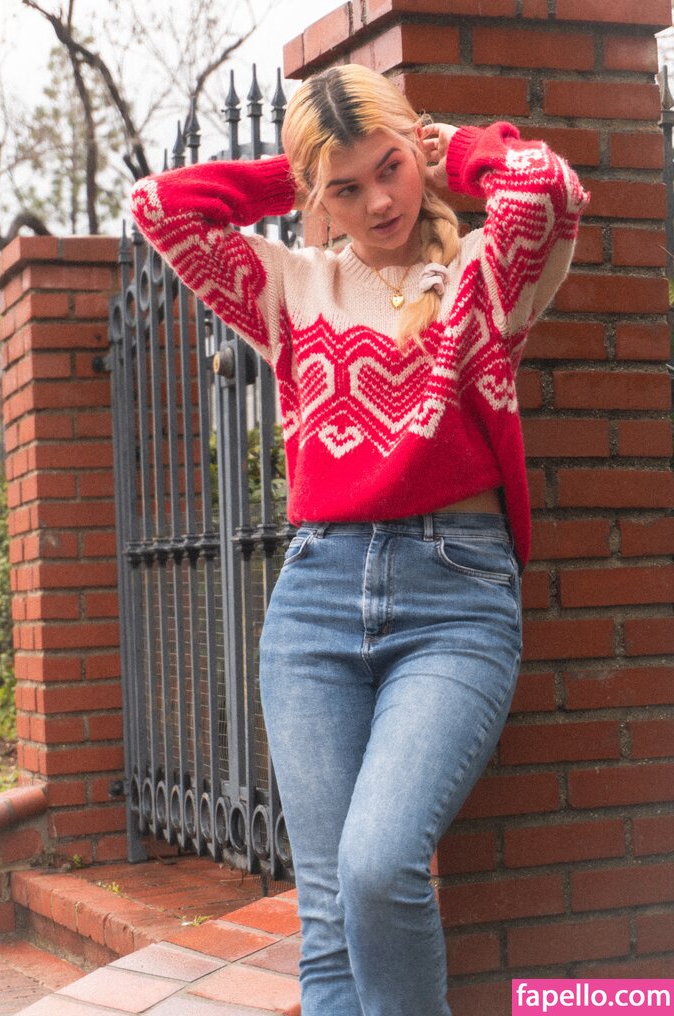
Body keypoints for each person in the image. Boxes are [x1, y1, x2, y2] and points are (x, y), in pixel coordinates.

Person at [130, 63, 588, 1016]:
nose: (379, 201)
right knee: (331, 916)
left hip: (455, 600)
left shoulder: (484, 275)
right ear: (319, 197)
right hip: (316, 602)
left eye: (390, 168)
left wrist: (453, 151)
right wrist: (293, 176)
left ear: (415, 152)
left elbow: (546, 185)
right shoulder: (293, 287)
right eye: (345, 188)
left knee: (379, 866)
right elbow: (159, 207)